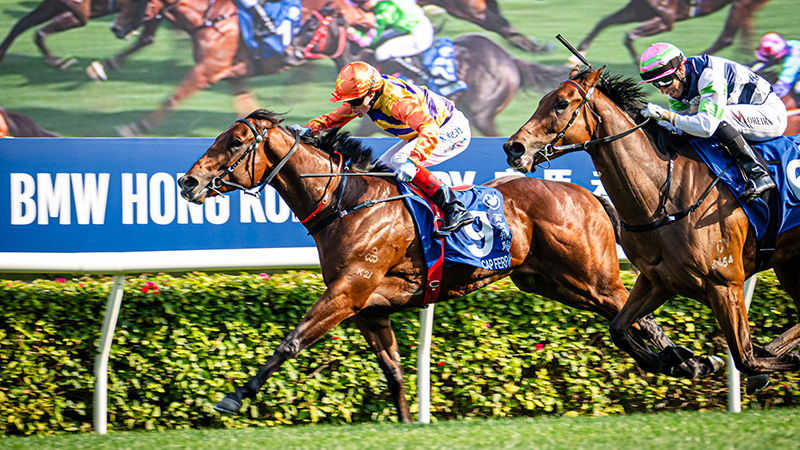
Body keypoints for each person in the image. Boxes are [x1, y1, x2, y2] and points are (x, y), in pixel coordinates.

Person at [303, 61, 474, 235]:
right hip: (423, 131)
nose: (351, 107)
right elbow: (333, 119)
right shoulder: (365, 97)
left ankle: (455, 208)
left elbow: (429, 130)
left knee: (400, 160)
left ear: (371, 93)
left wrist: (413, 161)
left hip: (448, 129)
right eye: (348, 101)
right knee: (380, 171)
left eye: (354, 101)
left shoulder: (397, 101)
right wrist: (307, 130)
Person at [638, 42, 788, 202]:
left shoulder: (709, 75)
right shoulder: (678, 87)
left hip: (770, 115)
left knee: (718, 117)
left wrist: (665, 115)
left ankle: (759, 174)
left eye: (665, 81)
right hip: (743, 117)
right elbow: (680, 126)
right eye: (656, 84)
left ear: (680, 70)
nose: (663, 90)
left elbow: (707, 126)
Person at [346, 0, 435, 78]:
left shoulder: (384, 10)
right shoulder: (386, 4)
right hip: (414, 28)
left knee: (381, 53)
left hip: (419, 36)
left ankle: (418, 76)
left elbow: (370, 40)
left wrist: (355, 35)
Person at [753, 32, 800, 99]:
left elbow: (785, 83)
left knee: (798, 88)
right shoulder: (789, 45)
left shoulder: (793, 59)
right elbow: (764, 63)